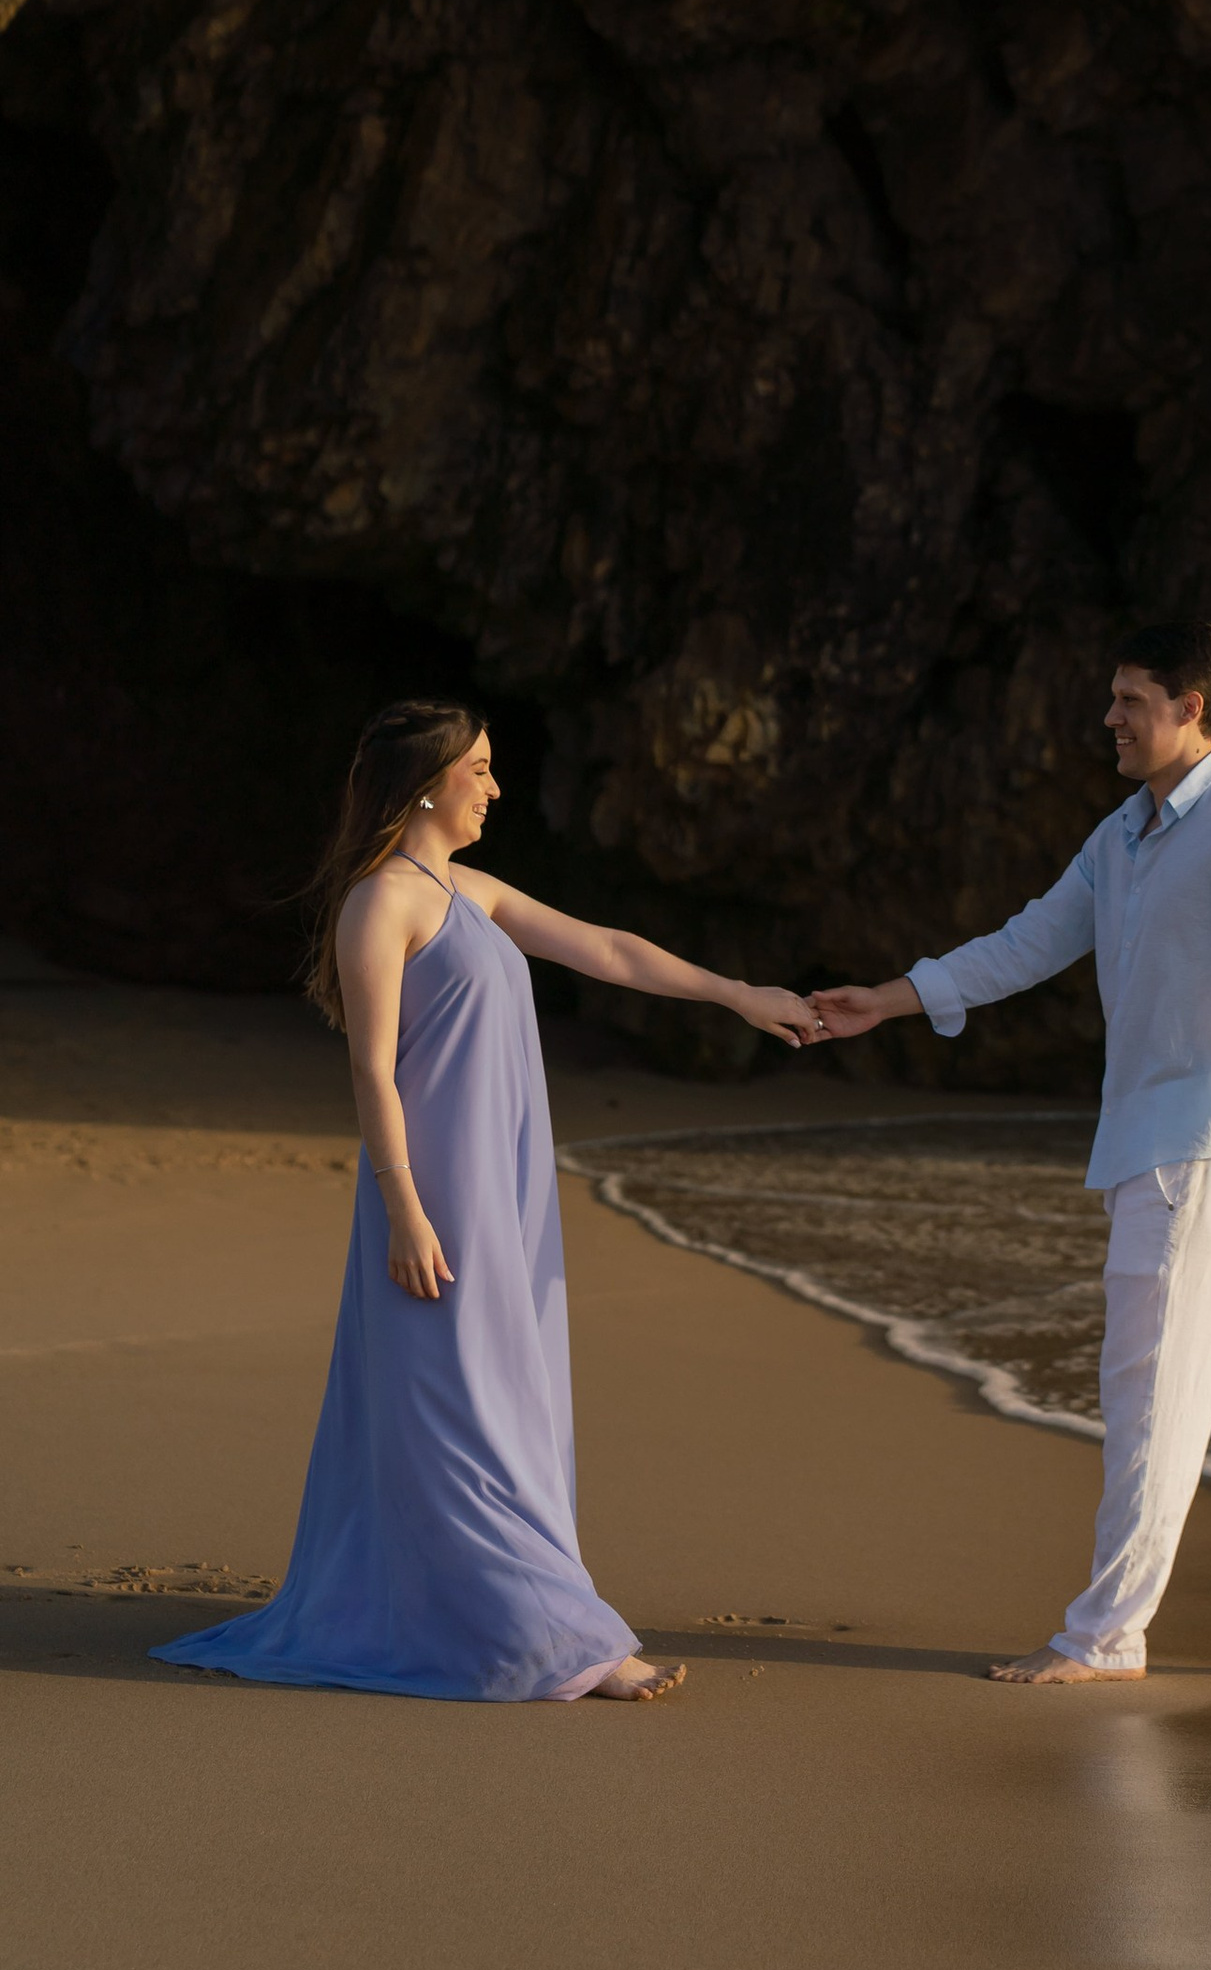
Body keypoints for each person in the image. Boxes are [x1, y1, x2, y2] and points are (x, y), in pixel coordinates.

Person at [156, 698, 819, 1704]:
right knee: (461, 1415)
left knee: (505, 1403)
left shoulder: (464, 890)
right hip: (433, 1198)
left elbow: (607, 948)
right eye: (481, 769)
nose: (496, 787)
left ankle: (521, 1620)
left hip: (502, 1191)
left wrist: (737, 992)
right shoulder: (382, 903)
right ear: (427, 783)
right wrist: (406, 1209)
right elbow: (372, 1072)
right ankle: (556, 1636)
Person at [813, 617, 1211, 1687]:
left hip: (1198, 1159)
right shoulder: (1121, 836)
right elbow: (1026, 942)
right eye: (1114, 697)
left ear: (1191, 708)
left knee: (1145, 1395)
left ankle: (1106, 1632)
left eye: (1132, 699)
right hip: (1153, 1149)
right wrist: (891, 1000)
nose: (1111, 718)